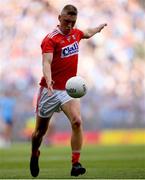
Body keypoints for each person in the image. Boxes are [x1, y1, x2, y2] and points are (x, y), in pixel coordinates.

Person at [30, 4, 107, 177]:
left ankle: (76, 163)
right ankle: (35, 153)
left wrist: (97, 29)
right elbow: (46, 63)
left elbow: (85, 33)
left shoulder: (75, 33)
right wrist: (49, 81)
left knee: (77, 121)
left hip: (68, 90)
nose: (70, 25)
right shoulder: (50, 39)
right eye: (66, 21)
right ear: (59, 18)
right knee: (39, 132)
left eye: (73, 22)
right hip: (49, 89)